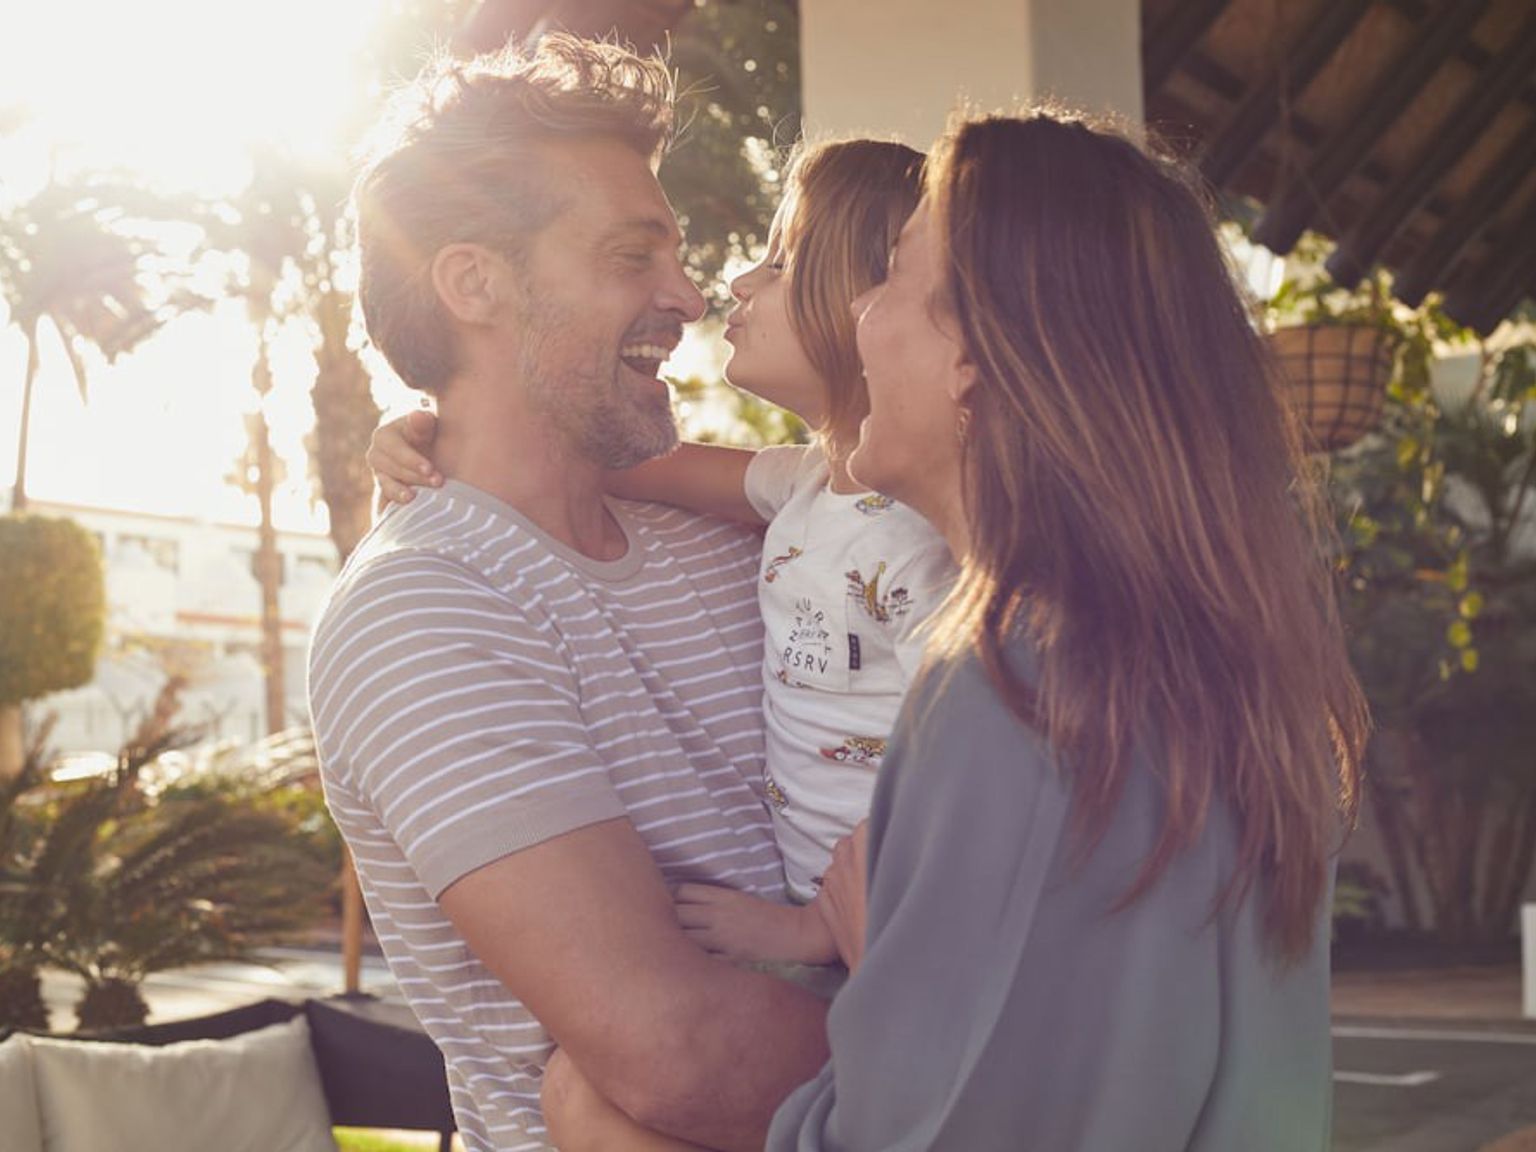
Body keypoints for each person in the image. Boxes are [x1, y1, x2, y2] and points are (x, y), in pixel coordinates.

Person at [763, 110, 1371, 1150]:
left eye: (896, 272)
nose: (860, 311)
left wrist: (882, 972)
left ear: (975, 356)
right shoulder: (1202, 668)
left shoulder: (1017, 686)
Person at [307, 36, 829, 1152]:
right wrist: (1037, 1057)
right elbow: (677, 1052)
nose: (687, 297)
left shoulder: (733, 544)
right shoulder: (422, 610)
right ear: (474, 283)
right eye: (631, 257)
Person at [368, 138, 953, 975]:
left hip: (899, 929)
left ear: (882, 311)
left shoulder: (919, 538)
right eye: (633, 256)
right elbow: (593, 453)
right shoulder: (805, 488)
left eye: (783, 262)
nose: (727, 286)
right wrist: (426, 427)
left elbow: (980, 763)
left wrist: (820, 930)